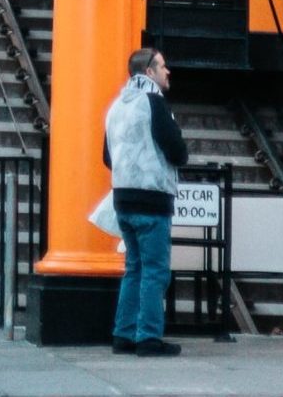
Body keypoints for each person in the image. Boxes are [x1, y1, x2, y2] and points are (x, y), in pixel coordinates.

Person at [102, 48, 189, 358]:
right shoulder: (154, 103)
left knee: (134, 268)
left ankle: (123, 334)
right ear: (149, 72)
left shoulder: (116, 106)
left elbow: (107, 156)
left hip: (123, 199)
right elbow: (177, 150)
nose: (168, 72)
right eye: (163, 67)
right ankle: (149, 338)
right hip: (151, 200)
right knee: (155, 271)